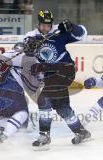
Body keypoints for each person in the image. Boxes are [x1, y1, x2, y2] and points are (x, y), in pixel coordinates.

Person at [23, 9, 91, 150]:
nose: (46, 28)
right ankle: (81, 132)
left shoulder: (59, 32)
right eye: (43, 25)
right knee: (62, 107)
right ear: (39, 23)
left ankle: (44, 136)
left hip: (65, 70)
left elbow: (83, 34)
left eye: (48, 25)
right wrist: (30, 47)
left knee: (44, 99)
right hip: (50, 76)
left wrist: (72, 26)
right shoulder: (32, 35)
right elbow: (25, 50)